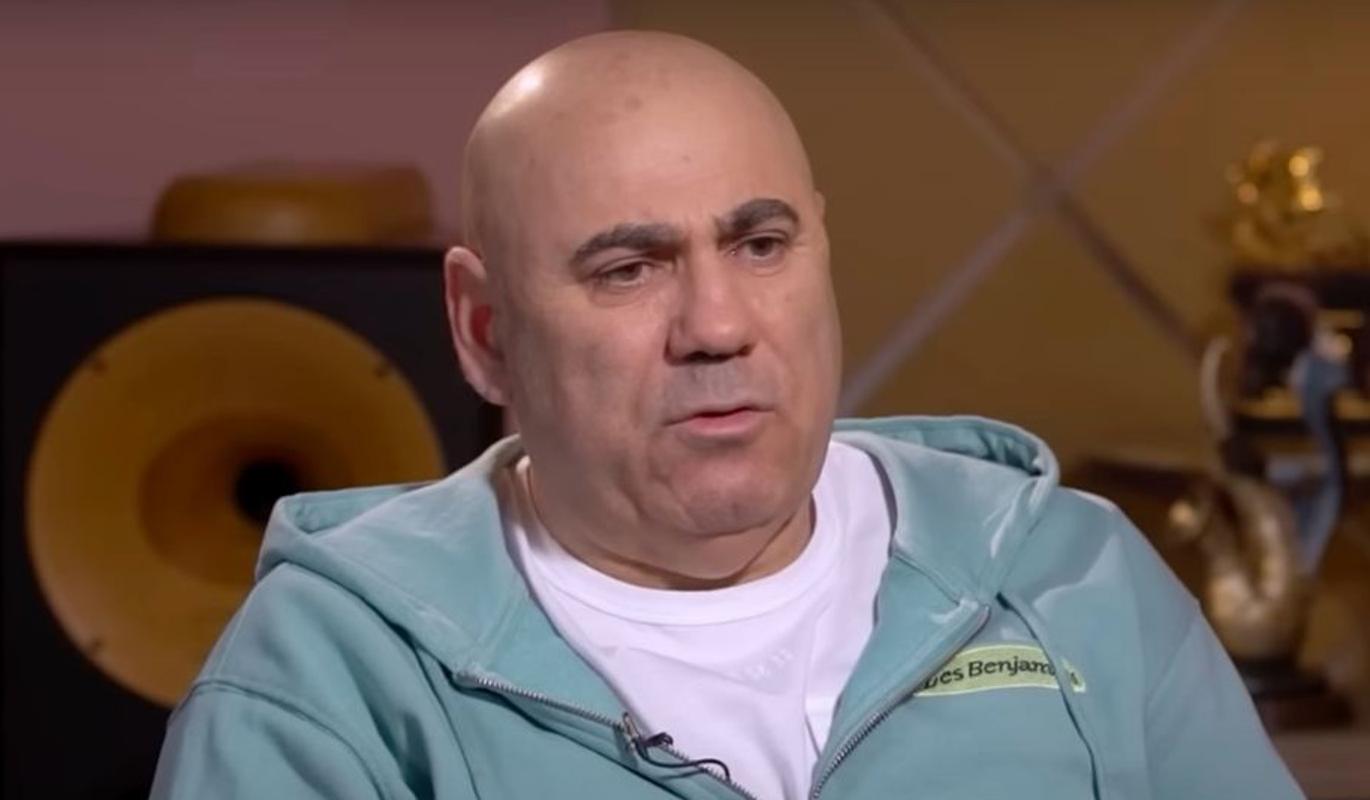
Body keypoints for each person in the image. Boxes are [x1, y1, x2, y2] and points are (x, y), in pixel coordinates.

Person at [151, 31, 1302, 799]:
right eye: (627, 268)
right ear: (485, 330)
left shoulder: (1072, 577)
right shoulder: (329, 679)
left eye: (758, 244)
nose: (715, 324)